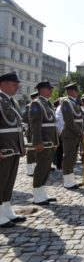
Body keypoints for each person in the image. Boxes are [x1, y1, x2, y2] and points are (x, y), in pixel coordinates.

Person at [0, 72, 26, 227]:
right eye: (14, 84)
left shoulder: (11, 102)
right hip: (3, 148)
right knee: (1, 181)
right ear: (3, 84)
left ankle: (6, 210)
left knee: (9, 182)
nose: (17, 87)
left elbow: (17, 127)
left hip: (13, 148)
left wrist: (21, 146)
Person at [29, 81, 59, 205]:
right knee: (41, 167)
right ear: (41, 90)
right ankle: (36, 194)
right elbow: (35, 125)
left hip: (50, 141)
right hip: (43, 141)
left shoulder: (48, 104)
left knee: (46, 167)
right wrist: (37, 142)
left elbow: (53, 124)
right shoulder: (37, 104)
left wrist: (56, 141)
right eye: (48, 89)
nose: (51, 91)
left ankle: (41, 191)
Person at [60, 83, 84, 189]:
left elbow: (80, 119)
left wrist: (81, 131)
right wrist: (80, 132)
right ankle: (67, 181)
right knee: (68, 158)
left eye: (77, 91)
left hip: (76, 134)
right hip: (70, 134)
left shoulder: (75, 103)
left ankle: (71, 180)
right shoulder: (66, 103)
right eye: (75, 91)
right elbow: (69, 122)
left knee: (73, 158)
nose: (76, 93)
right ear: (69, 91)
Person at [23, 91, 39, 176]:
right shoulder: (28, 106)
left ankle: (36, 167)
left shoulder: (40, 105)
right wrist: (33, 120)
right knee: (31, 151)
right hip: (31, 132)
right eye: (37, 97)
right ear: (33, 98)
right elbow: (24, 118)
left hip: (38, 132)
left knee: (38, 150)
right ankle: (30, 169)